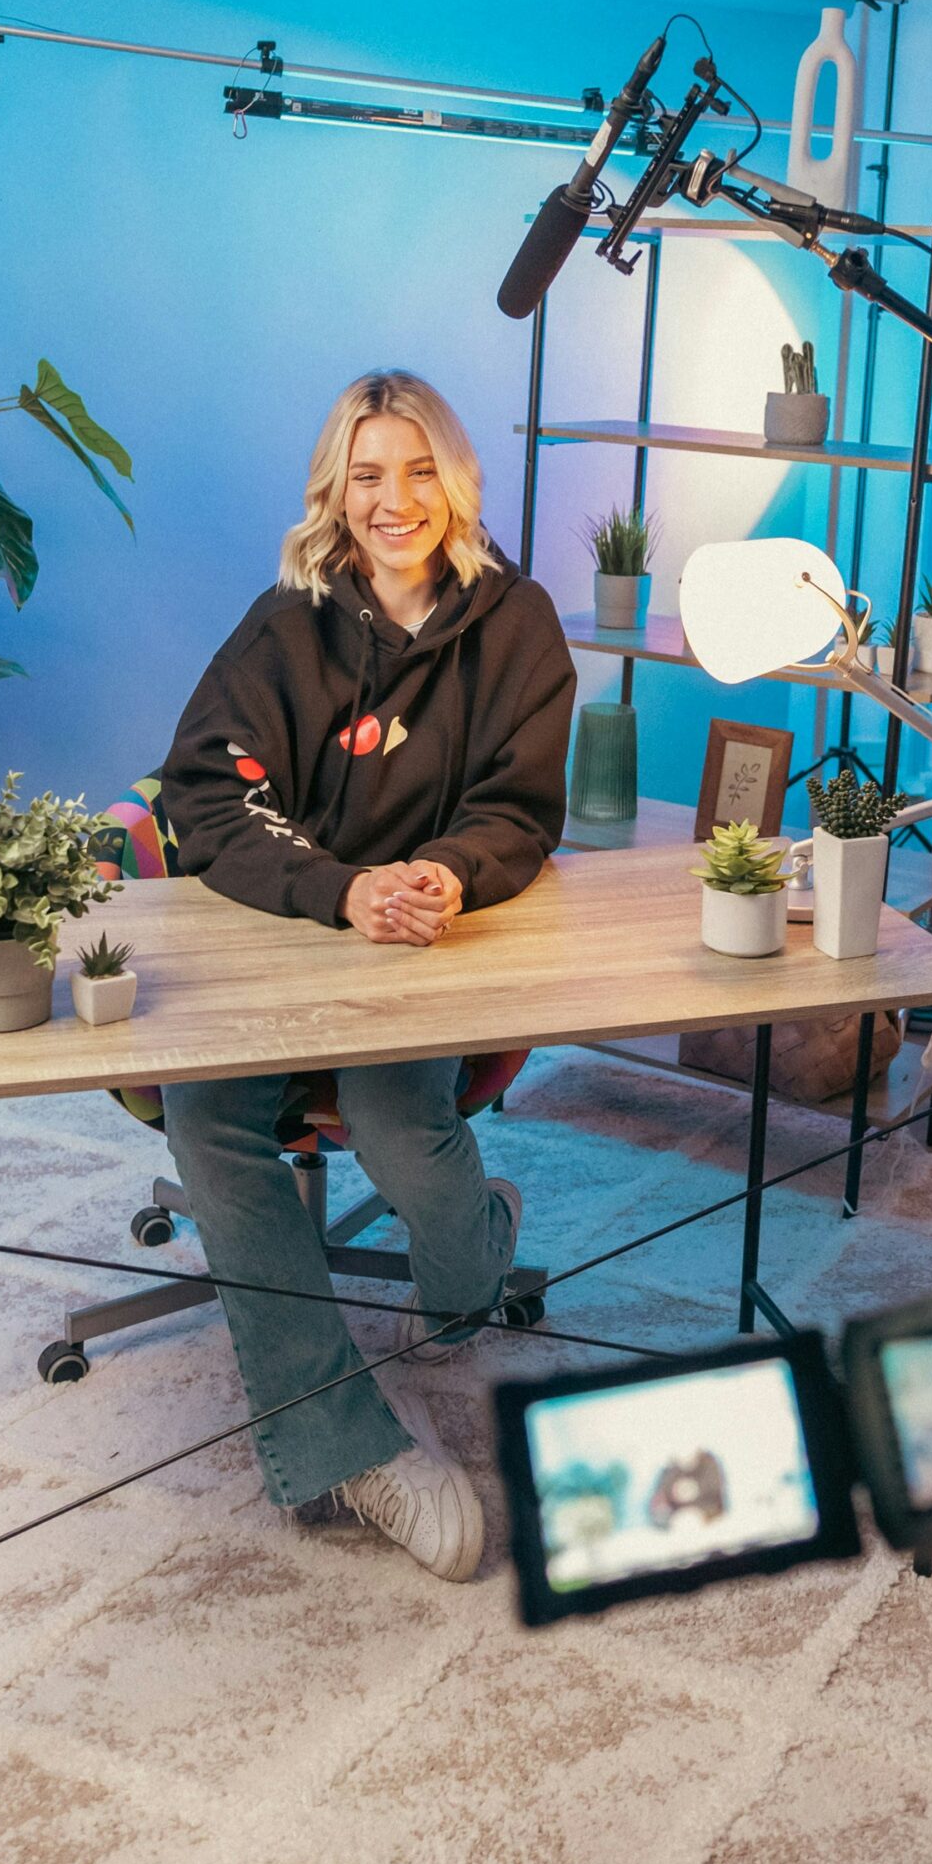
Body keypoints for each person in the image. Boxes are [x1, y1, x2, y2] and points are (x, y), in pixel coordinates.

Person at [160, 369, 575, 1580]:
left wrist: (445, 873)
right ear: (336, 494)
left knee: (404, 1129)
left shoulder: (519, 621)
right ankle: (349, 1444)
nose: (395, 500)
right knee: (208, 1112)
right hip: (284, 928)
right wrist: (341, 889)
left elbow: (520, 806)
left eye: (416, 470)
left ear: (455, 479)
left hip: (423, 950)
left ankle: (474, 1252)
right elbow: (204, 791)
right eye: (366, 475)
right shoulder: (285, 619)